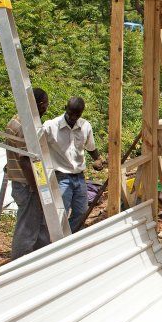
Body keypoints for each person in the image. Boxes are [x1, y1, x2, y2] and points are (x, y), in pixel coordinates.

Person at [44, 97, 105, 232]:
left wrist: (98, 159)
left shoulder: (85, 126)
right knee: (61, 214)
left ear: (82, 113)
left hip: (79, 177)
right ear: (66, 108)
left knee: (81, 212)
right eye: (71, 113)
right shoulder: (50, 126)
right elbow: (36, 146)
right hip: (60, 177)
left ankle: (70, 239)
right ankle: (57, 243)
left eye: (77, 114)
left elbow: (90, 147)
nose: (73, 117)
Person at [6, 88, 51, 259]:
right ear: (39, 105)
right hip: (28, 184)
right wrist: (37, 188)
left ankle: (39, 260)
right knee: (27, 229)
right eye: (45, 105)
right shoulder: (26, 126)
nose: (47, 109)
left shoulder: (16, 120)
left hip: (22, 182)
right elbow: (25, 160)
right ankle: (20, 266)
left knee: (38, 224)